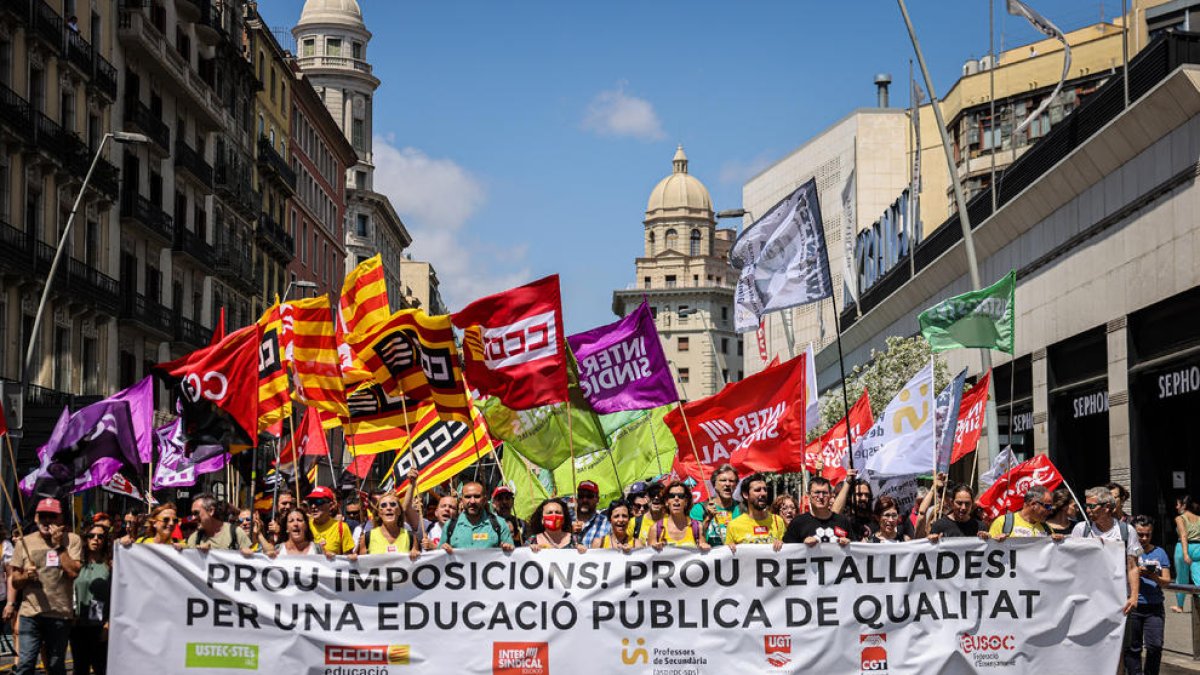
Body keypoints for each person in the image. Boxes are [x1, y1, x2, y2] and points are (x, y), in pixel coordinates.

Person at [7, 498, 82, 675]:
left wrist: (59, 546)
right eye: (43, 516)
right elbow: (14, 580)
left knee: (55, 666)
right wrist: (26, 576)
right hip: (30, 614)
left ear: (60, 519)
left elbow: (73, 572)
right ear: (36, 518)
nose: (47, 520)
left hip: (59, 614)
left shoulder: (72, 540)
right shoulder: (24, 542)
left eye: (52, 516)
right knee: (25, 664)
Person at [1071, 486, 1141, 615]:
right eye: (1086, 506)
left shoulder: (1126, 530)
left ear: (1107, 507)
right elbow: (1071, 561)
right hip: (1088, 598)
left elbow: (1133, 567)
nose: (1087, 510)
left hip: (1119, 599)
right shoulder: (1081, 529)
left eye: (1092, 506)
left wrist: (1134, 596)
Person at [1126, 516, 1171, 675]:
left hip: (1154, 607)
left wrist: (1153, 576)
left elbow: (1166, 581)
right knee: (1133, 647)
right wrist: (1134, 572)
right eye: (1140, 534)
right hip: (1134, 606)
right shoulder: (1128, 552)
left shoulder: (1160, 552)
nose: (1144, 538)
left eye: (1148, 535)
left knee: (1155, 646)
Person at [70, 524, 111, 674]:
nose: (96, 539)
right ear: (85, 539)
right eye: (91, 536)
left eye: (100, 536)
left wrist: (109, 624)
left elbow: (118, 597)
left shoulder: (110, 565)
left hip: (100, 625)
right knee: (80, 668)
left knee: (101, 668)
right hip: (77, 624)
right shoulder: (77, 564)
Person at [440, 482, 514, 553]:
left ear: (484, 500)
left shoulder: (500, 524)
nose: (472, 501)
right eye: (468, 497)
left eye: (477, 496)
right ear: (461, 500)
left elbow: (510, 556)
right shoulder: (449, 526)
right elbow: (439, 557)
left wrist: (508, 548)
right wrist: (442, 550)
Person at [783, 476, 855, 546]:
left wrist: (849, 544)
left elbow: (856, 548)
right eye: (817, 492)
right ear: (808, 495)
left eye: (825, 493)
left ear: (830, 495)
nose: (821, 497)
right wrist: (803, 545)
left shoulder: (843, 521)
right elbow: (786, 550)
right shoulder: (798, 522)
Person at [725, 474, 785, 552]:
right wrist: (730, 548)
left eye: (765, 490)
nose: (763, 493)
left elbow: (787, 551)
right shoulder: (733, 525)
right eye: (757, 490)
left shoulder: (777, 521)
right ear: (745, 494)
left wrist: (783, 544)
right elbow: (727, 556)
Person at [648, 481, 711, 551]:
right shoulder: (656, 529)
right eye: (671, 496)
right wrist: (655, 548)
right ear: (666, 501)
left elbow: (704, 549)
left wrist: (704, 546)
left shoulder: (697, 527)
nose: (676, 498)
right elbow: (649, 554)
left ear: (686, 501)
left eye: (681, 496)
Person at [357, 491, 421, 561]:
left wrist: (417, 554)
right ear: (379, 513)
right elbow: (362, 565)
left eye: (393, 504)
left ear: (399, 511)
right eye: (383, 505)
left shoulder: (411, 537)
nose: (388, 508)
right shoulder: (366, 538)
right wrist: (353, 557)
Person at [183, 494, 253, 554]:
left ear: (211, 511)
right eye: (192, 514)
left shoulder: (236, 533)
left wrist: (247, 554)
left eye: (196, 513)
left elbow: (250, 561)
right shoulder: (194, 538)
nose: (193, 518)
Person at [989, 484, 1062, 540]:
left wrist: (1058, 544)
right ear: (1033, 504)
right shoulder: (1003, 522)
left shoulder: (1047, 529)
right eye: (1048, 507)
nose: (1050, 512)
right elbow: (988, 550)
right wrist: (996, 542)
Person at [691, 464, 740, 546]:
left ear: (736, 485)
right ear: (714, 484)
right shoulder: (699, 509)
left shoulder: (743, 509)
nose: (728, 484)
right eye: (723, 480)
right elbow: (694, 538)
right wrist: (708, 519)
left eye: (731, 481)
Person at [305, 487, 356, 558]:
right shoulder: (305, 526)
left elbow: (348, 560)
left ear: (330, 505)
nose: (313, 506)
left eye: (318, 502)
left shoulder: (341, 528)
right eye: (311, 502)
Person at [1173, 495, 1200, 613]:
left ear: (1184, 505)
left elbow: (1183, 535)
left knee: (1181, 578)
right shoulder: (1199, 518)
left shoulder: (1180, 518)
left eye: (1178, 504)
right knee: (1198, 577)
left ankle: (1180, 606)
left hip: (1183, 547)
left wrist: (1185, 553)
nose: (1176, 507)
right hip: (1198, 547)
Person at [572, 481, 610, 547]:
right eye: (581, 496)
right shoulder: (567, 521)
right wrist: (569, 532)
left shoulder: (606, 523)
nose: (584, 500)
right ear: (577, 499)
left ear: (597, 499)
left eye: (589, 496)